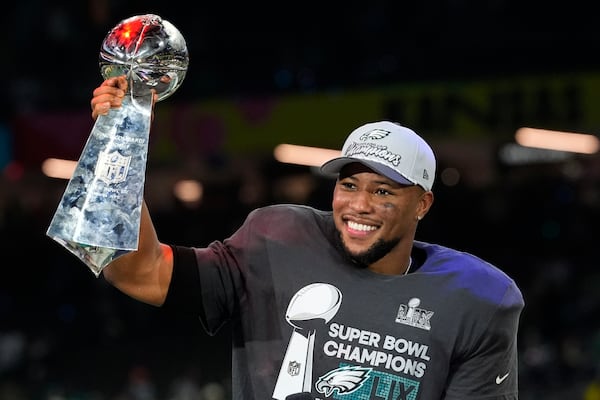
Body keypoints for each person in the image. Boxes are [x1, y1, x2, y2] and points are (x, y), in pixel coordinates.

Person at [89, 75, 524, 400]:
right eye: (349, 185)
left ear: (422, 205)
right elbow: (136, 271)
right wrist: (119, 140)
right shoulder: (276, 239)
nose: (359, 205)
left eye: (384, 191)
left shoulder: (476, 298)